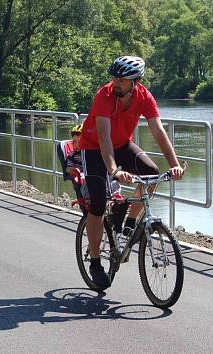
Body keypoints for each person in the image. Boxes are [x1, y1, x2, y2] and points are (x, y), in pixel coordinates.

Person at [79, 56, 184, 289]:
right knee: (96, 204)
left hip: (122, 144)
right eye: (114, 77)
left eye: (122, 79)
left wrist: (174, 164)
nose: (116, 82)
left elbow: (158, 131)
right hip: (94, 148)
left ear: (135, 81)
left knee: (151, 173)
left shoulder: (144, 97)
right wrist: (114, 170)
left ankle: (130, 221)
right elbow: (104, 138)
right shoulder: (104, 96)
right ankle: (95, 262)